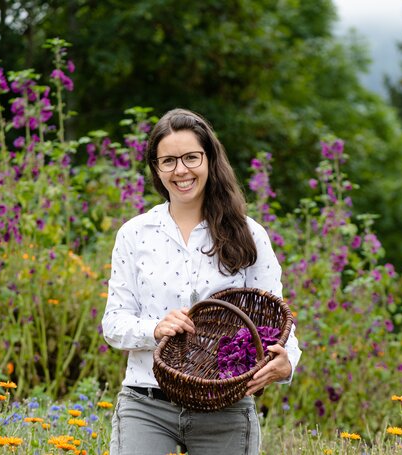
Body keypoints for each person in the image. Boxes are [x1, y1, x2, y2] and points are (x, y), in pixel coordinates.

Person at [102, 108, 301, 455]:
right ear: (156, 168)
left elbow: (277, 316)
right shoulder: (134, 234)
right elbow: (113, 323)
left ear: (209, 159)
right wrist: (156, 328)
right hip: (146, 402)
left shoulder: (250, 234)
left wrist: (288, 364)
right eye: (168, 161)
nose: (181, 170)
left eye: (191, 157)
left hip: (227, 407)